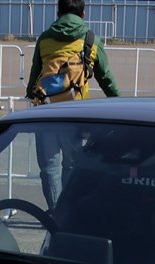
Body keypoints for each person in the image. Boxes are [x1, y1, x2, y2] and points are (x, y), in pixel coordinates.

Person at [26, 0, 118, 209]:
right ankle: (69, 210)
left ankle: (55, 211)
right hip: (76, 115)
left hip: (45, 113)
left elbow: (34, 79)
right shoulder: (91, 40)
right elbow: (107, 80)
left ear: (58, 12)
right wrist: (121, 104)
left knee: (49, 168)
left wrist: (31, 94)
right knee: (74, 164)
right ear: (83, 14)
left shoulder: (45, 39)